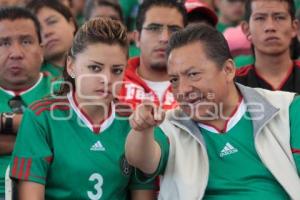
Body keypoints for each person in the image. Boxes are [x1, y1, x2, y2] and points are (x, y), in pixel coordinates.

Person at [125, 24, 300, 199]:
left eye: (193, 74)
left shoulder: (286, 108)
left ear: (228, 70)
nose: (183, 89)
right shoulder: (169, 125)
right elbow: (141, 160)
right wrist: (142, 129)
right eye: (174, 80)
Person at [10, 17, 156, 200]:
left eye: (117, 70)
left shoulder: (133, 122)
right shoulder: (40, 116)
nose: (106, 79)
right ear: (71, 66)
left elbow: (143, 194)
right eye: (95, 68)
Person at [0, 7, 57, 199]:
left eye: (26, 41)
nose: (15, 53)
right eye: (4, 43)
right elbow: (60, 141)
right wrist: (44, 138)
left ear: (42, 50)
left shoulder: (65, 94)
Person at [118, 0, 187, 111]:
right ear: (137, 38)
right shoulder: (114, 82)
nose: (164, 38)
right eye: (154, 29)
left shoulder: (197, 88)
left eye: (174, 30)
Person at [235, 0, 300, 92]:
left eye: (279, 18)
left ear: (294, 28)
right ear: (247, 29)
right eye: (260, 18)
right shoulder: (232, 83)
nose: (270, 27)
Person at [26, 0, 77, 79]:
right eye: (37, 30)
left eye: (52, 22)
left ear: (71, 24)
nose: (46, 32)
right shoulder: (32, 80)